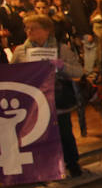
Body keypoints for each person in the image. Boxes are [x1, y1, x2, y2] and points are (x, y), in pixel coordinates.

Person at [11, 15, 83, 176]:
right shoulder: (21, 51)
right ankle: (46, 166)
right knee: (39, 134)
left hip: (56, 97)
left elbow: (78, 71)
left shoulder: (60, 48)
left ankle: (72, 162)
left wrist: (61, 65)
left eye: (33, 28)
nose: (29, 31)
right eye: (26, 28)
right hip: (34, 100)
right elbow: (13, 74)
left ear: (46, 30)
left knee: (64, 132)